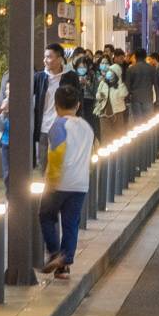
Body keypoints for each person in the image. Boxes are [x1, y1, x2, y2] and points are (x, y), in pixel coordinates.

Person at [41, 83, 96, 278]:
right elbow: (93, 153)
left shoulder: (58, 124)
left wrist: (51, 181)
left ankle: (55, 252)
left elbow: (57, 154)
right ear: (79, 105)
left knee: (46, 215)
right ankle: (64, 265)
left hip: (60, 182)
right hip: (80, 183)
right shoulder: (87, 127)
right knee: (71, 223)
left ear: (55, 106)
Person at [125, 49, 159, 118]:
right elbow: (156, 85)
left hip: (135, 98)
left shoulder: (131, 69)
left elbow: (127, 86)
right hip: (148, 98)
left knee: (138, 122)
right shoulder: (151, 69)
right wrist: (158, 98)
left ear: (135, 57)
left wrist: (127, 98)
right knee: (148, 122)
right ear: (145, 56)